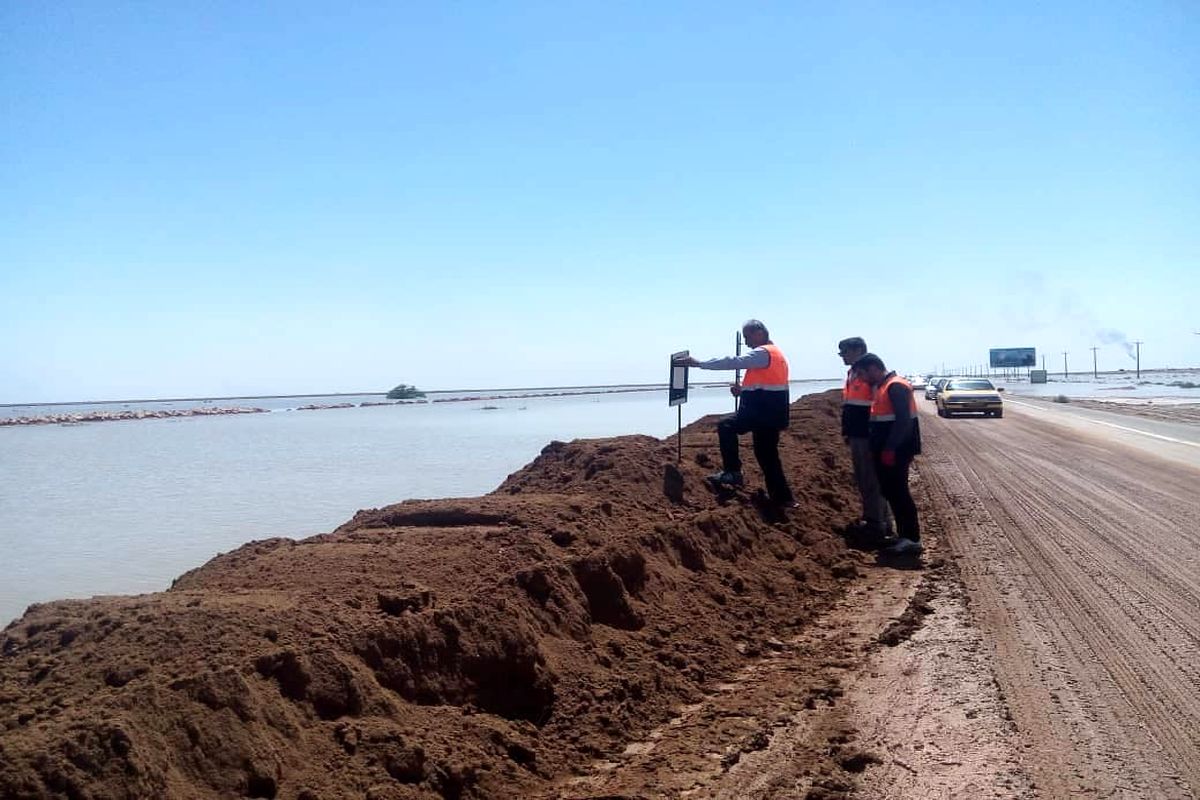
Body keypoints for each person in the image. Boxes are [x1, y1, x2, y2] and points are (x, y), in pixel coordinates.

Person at [673, 320, 795, 507]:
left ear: (760, 332)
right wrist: (743, 391)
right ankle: (784, 499)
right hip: (772, 414)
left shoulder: (764, 353)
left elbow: (734, 361)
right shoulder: (777, 355)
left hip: (760, 413)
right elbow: (766, 386)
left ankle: (733, 473)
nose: (746, 342)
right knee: (767, 455)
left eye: (747, 337)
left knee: (726, 425)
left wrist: (700, 364)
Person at [854, 353, 923, 555]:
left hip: (896, 451)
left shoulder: (895, 386)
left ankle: (911, 539)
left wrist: (890, 448)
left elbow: (904, 422)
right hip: (887, 450)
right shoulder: (884, 386)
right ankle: (904, 536)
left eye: (863, 374)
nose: (862, 379)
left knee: (899, 493)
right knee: (892, 492)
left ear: (874, 368)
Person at [838, 337, 891, 538]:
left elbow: (878, 404)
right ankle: (873, 519)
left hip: (867, 434)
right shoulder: (852, 373)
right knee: (863, 479)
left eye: (845, 352)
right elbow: (851, 405)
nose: (842, 356)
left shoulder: (869, 374)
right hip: (856, 434)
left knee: (872, 480)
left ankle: (879, 524)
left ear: (858, 350)